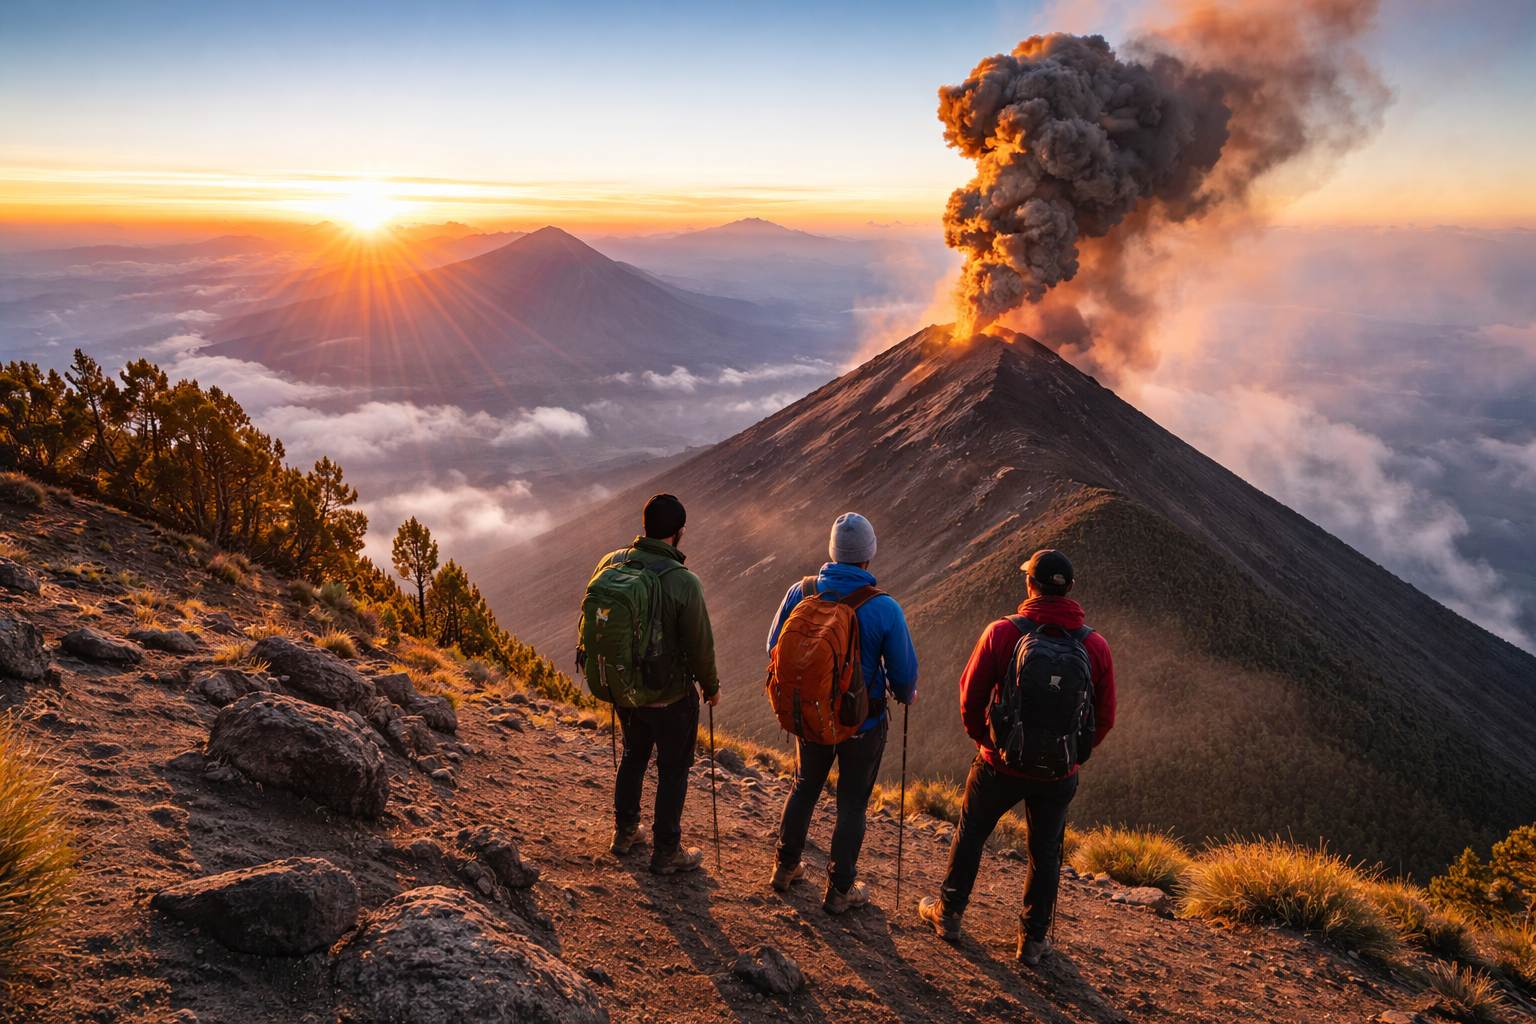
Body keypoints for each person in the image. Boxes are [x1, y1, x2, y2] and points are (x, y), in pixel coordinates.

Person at [917, 549, 1115, 965]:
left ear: (1030, 585)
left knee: (972, 833)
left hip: (999, 762)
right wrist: (1071, 755)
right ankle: (1033, 940)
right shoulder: (1095, 646)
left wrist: (984, 741)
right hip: (1059, 774)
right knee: (1045, 852)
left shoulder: (1003, 633)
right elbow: (1104, 717)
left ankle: (949, 915)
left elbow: (970, 694)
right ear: (1071, 590)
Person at [766, 512, 918, 914]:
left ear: (832, 553)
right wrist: (906, 692)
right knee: (851, 804)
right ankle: (840, 891)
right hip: (862, 726)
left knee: (804, 787)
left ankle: (785, 867)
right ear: (868, 557)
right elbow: (903, 676)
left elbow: (773, 649)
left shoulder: (801, 592)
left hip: (811, 718)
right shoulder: (884, 608)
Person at [598, 493, 721, 875]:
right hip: (670, 698)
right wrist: (711, 687)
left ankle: (624, 832)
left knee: (634, 755)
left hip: (626, 689)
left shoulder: (612, 563)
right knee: (672, 769)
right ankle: (667, 851)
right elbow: (700, 646)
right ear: (678, 533)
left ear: (646, 526)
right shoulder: (684, 581)